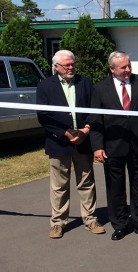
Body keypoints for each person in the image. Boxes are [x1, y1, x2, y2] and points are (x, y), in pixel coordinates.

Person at [36, 50, 105, 238]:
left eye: (73, 63)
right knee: (59, 185)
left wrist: (86, 130)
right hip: (58, 142)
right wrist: (65, 133)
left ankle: (90, 219)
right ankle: (58, 222)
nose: (71, 67)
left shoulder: (86, 82)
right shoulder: (45, 86)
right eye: (66, 65)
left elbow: (94, 108)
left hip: (83, 141)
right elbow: (43, 116)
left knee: (86, 182)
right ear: (56, 66)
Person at [89, 51, 138, 240]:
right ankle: (120, 224)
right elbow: (95, 118)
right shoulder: (100, 88)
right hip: (113, 146)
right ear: (112, 69)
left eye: (129, 65)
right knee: (115, 188)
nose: (128, 70)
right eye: (123, 67)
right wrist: (97, 146)